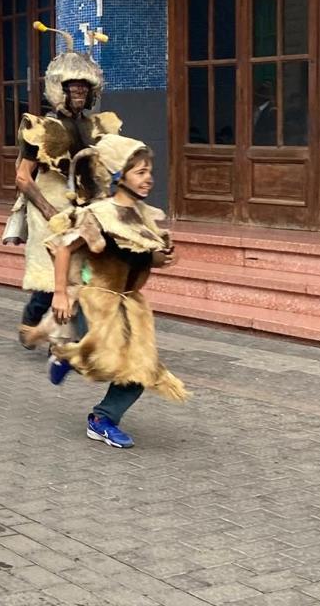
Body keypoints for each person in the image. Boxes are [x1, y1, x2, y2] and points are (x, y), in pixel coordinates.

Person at [46, 135, 189, 448]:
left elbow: (144, 256)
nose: (148, 177)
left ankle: (102, 419)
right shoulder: (98, 214)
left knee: (141, 371)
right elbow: (63, 249)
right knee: (106, 359)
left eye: (150, 170)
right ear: (117, 176)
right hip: (97, 299)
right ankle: (68, 356)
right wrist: (59, 293)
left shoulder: (144, 216)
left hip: (131, 304)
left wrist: (161, 257)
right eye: (139, 171)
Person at [10, 24, 121, 351]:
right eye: (72, 85)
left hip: (84, 207)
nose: (79, 92)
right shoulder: (40, 126)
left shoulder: (95, 125)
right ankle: (32, 324)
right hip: (49, 204)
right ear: (59, 87)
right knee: (50, 279)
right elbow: (22, 177)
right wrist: (47, 211)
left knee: (82, 273)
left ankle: (68, 335)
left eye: (84, 87)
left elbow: (102, 168)